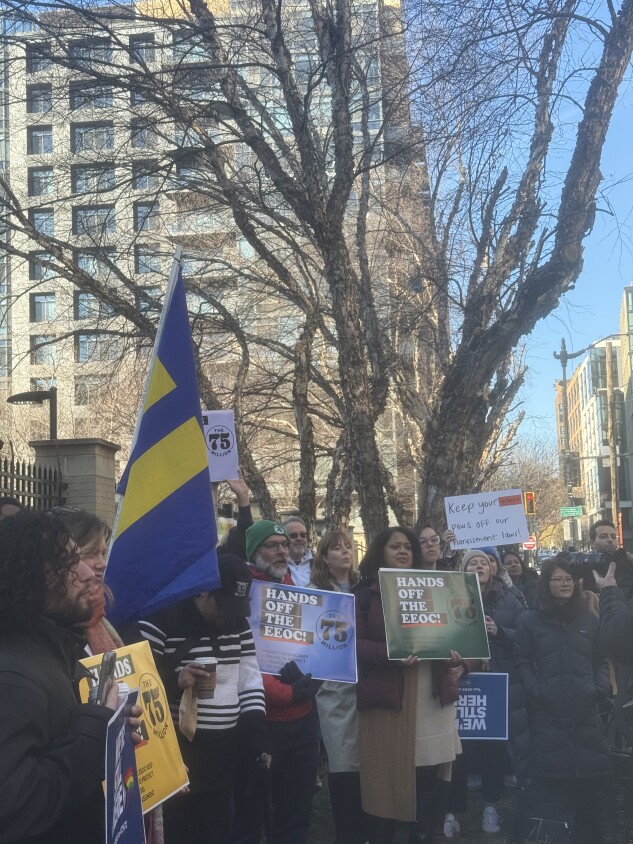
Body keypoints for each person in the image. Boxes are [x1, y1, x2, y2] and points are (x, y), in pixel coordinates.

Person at [0, 510, 140, 843]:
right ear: (29, 577)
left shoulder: (55, 651)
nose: (88, 572)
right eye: (70, 561)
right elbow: (14, 807)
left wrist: (113, 730)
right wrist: (95, 730)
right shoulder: (14, 676)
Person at [133, 554, 268, 844]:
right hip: (176, 752)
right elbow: (135, 672)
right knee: (175, 829)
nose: (230, 616)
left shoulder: (238, 623)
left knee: (215, 830)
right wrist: (175, 679)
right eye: (224, 605)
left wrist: (256, 738)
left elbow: (249, 679)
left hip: (224, 753)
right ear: (204, 589)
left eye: (237, 607)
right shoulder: (163, 613)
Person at [355, 526, 470, 844]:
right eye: (395, 546)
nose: (403, 551)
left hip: (430, 691)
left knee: (430, 768)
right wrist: (389, 655)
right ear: (381, 552)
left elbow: (462, 633)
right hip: (387, 694)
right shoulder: (365, 593)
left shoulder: (440, 587)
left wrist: (457, 658)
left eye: (408, 546)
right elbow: (354, 644)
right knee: (387, 773)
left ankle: (426, 832)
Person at [231, 520, 321, 844]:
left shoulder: (297, 590)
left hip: (303, 721)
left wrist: (315, 681)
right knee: (252, 816)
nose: (282, 550)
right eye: (272, 545)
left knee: (296, 813)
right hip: (262, 724)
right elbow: (244, 659)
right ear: (255, 552)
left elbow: (315, 649)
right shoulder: (241, 594)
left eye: (284, 545)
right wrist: (285, 693)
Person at [514, 555, 611, 843]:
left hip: (586, 714)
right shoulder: (531, 621)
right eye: (558, 578)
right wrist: (537, 689)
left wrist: (599, 687)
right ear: (547, 583)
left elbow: (601, 657)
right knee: (553, 787)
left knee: (589, 793)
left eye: (568, 578)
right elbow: (521, 659)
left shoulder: (588, 619)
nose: (564, 583)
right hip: (549, 715)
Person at [445, 549, 525, 836]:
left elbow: (527, 636)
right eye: (471, 563)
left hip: (495, 684)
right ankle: (451, 810)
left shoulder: (509, 599)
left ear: (493, 569)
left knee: (492, 747)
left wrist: (500, 632)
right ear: (463, 571)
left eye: (483, 562)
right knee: (457, 751)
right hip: (460, 682)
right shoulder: (449, 598)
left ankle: (491, 806)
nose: (478, 566)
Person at [309, 530, 367, 844]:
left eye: (348, 547)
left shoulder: (364, 588)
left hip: (367, 683)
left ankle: (367, 825)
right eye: (337, 548)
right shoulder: (313, 591)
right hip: (333, 688)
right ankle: (347, 831)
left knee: (367, 759)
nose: (345, 552)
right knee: (343, 759)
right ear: (324, 556)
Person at [283, 515, 314, 586]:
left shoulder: (319, 564)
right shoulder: (276, 564)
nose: (299, 539)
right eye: (293, 535)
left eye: (303, 535)